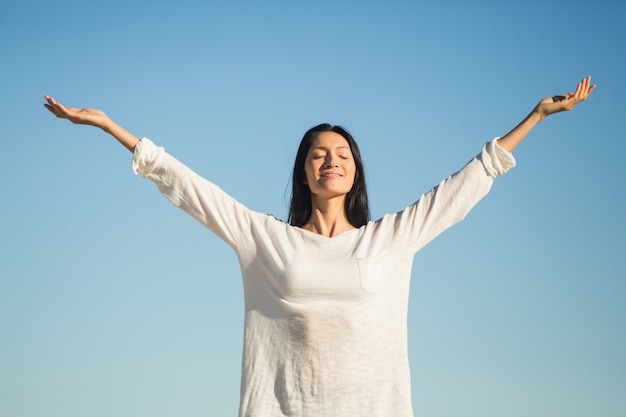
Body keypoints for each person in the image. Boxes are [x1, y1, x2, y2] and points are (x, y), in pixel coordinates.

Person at [44, 77, 596, 417]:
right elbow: (190, 189)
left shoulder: (392, 238)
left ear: (354, 174)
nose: (330, 160)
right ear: (304, 172)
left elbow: (471, 179)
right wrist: (112, 128)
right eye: (317, 154)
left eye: (342, 154)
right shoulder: (264, 239)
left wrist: (538, 116)